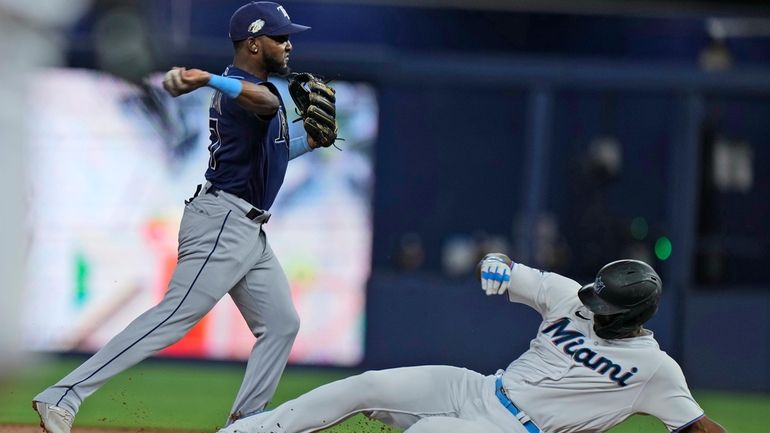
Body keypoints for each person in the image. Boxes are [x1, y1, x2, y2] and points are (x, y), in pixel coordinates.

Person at [32, 3, 335, 433]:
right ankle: (62, 395)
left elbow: (274, 153)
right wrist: (207, 77)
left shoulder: (252, 93)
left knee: (282, 324)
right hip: (223, 223)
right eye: (279, 36)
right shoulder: (239, 86)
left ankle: (245, 423)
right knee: (173, 317)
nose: (288, 44)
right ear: (252, 42)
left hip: (248, 229)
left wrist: (312, 140)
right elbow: (263, 102)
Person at [220, 254, 728, 433]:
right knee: (365, 386)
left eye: (604, 309)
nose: (591, 309)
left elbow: (696, 427)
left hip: (513, 430)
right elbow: (509, 269)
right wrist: (497, 265)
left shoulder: (654, 371)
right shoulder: (570, 296)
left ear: (631, 316)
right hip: (478, 389)